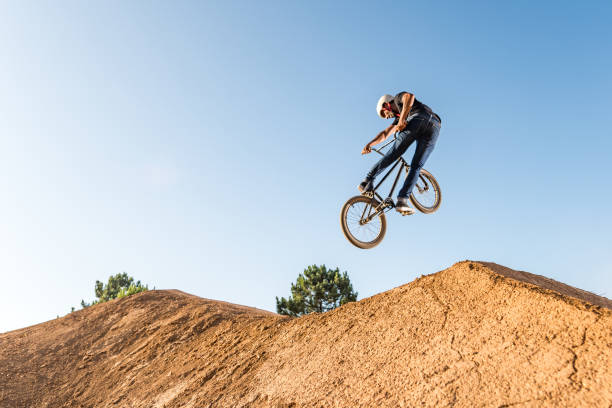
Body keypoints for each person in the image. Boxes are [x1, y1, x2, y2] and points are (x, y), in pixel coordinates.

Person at [359, 92, 441, 215]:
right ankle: (402, 201)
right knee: (416, 166)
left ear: (387, 104)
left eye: (383, 113)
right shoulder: (398, 117)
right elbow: (385, 133)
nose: (386, 117)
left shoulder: (397, 99)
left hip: (420, 118)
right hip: (434, 126)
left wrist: (403, 119)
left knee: (394, 153)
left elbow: (409, 97)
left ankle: (367, 180)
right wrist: (370, 144)